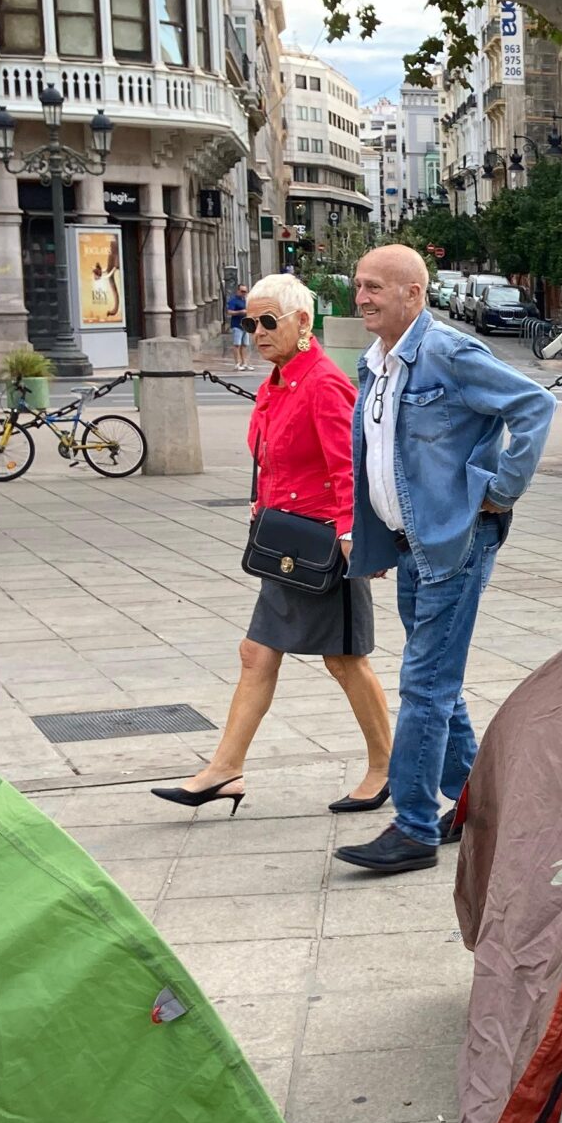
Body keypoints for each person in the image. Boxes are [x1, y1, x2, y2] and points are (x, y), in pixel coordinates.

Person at [337, 244, 556, 875]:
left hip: (454, 544)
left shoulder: (451, 353)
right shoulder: (374, 362)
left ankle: (411, 828)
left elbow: (534, 406)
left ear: (414, 293)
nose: (363, 297)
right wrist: (373, 532)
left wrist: (501, 489)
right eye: (359, 286)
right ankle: (477, 802)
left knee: (425, 686)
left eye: (376, 287)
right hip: (408, 544)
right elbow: (382, 456)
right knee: (439, 683)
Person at [151, 274, 396, 818]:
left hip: (323, 548)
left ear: (302, 323)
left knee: (344, 659)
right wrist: (263, 504)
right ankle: (225, 769)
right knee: (257, 653)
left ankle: (386, 767)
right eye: (249, 322)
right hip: (288, 543)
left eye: (268, 322)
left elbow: (349, 468)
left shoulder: (323, 383)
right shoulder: (278, 380)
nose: (256, 332)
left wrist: (354, 538)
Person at [226, 282, 251, 368]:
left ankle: (244, 363)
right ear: (238, 291)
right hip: (237, 325)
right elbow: (229, 312)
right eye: (242, 291)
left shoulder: (246, 300)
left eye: (245, 291)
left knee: (245, 345)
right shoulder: (233, 300)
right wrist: (240, 312)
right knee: (237, 344)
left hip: (245, 325)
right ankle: (237, 363)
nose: (244, 293)